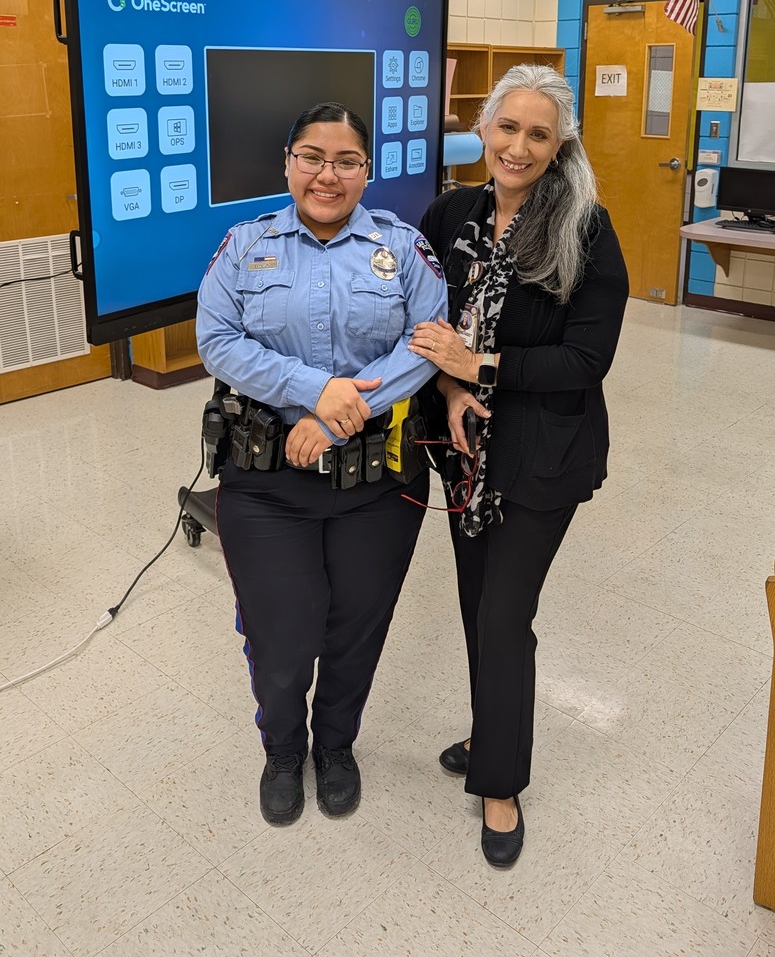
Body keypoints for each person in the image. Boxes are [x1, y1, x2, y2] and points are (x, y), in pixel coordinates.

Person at [196, 101, 447, 826]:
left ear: (366, 171)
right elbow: (218, 341)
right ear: (287, 162)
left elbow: (428, 342)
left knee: (355, 630)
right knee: (281, 634)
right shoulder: (245, 245)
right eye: (311, 156)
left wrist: (344, 417)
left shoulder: (401, 249)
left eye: (344, 161)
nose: (325, 174)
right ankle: (282, 750)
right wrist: (319, 393)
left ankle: (335, 747)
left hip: (377, 483)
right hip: (266, 482)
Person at [409, 65, 629, 868]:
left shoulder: (585, 228)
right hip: (461, 451)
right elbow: (419, 319)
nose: (518, 146)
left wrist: (480, 365)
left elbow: (583, 359)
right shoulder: (448, 212)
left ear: (558, 142)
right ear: (484, 127)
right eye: (506, 127)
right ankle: (490, 729)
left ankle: (500, 785)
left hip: (543, 456)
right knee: (477, 607)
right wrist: (449, 380)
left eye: (538, 134)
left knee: (504, 615)